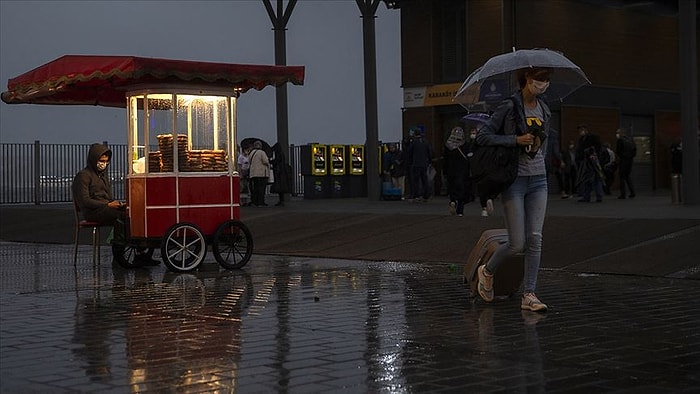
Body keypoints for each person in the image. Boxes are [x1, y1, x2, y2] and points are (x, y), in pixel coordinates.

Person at [475, 67, 552, 312]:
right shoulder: (508, 106)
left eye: (546, 81)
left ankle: (529, 294)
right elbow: (483, 136)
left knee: (535, 239)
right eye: (539, 80)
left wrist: (538, 146)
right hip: (515, 180)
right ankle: (486, 271)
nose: (543, 85)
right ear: (526, 80)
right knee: (517, 243)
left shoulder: (544, 109)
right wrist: (515, 141)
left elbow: (546, 140)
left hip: (539, 179)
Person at [72, 143, 158, 266]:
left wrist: (117, 204)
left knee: (136, 214)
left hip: (106, 208)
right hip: (93, 212)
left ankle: (141, 253)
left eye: (106, 162)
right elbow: (85, 201)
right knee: (121, 217)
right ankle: (119, 255)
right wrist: (107, 205)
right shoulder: (83, 176)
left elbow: (109, 197)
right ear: (94, 159)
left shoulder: (103, 176)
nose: (104, 164)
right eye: (101, 161)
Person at [442, 126, 471, 216]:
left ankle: (452, 201)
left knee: (452, 188)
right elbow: (469, 158)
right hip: (462, 170)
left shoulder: (448, 145)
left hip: (451, 170)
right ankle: (460, 210)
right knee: (461, 189)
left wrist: (445, 171)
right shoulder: (465, 145)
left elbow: (445, 159)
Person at [575, 124, 604, 203]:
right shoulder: (581, 140)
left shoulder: (592, 138)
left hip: (592, 161)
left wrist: (594, 155)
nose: (580, 132)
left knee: (595, 179)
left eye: (582, 130)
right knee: (586, 179)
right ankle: (587, 196)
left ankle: (598, 196)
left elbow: (598, 147)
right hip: (585, 162)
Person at [407, 128, 434, 202]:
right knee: (424, 180)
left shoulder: (414, 142)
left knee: (415, 180)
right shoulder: (426, 141)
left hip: (416, 163)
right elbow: (430, 152)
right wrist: (429, 161)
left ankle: (416, 195)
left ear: (415, 134)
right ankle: (426, 195)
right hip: (424, 164)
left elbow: (409, 151)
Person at [545, 128, 569, 199]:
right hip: (553, 162)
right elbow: (556, 152)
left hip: (544, 161)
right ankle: (563, 192)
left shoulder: (544, 139)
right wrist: (561, 160)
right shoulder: (554, 141)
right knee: (559, 177)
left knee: (545, 178)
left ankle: (542, 194)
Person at [247, 140, 270, 207]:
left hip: (253, 173)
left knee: (255, 188)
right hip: (261, 173)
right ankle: (261, 202)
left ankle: (255, 201)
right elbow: (265, 161)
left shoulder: (251, 153)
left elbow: (249, 161)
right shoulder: (262, 152)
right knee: (261, 189)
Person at [615, 128, 636, 199]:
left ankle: (623, 194)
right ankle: (632, 192)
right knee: (627, 176)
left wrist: (621, 156)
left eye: (617, 133)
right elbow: (634, 150)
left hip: (623, 160)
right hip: (630, 160)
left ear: (621, 133)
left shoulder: (620, 140)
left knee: (622, 177)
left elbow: (618, 151)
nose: (617, 134)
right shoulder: (631, 140)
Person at [270, 142, 293, 206]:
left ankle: (281, 201)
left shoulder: (278, 154)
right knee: (281, 187)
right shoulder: (281, 153)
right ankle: (281, 201)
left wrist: (270, 161)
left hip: (279, 172)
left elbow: (276, 161)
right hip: (282, 172)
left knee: (280, 187)